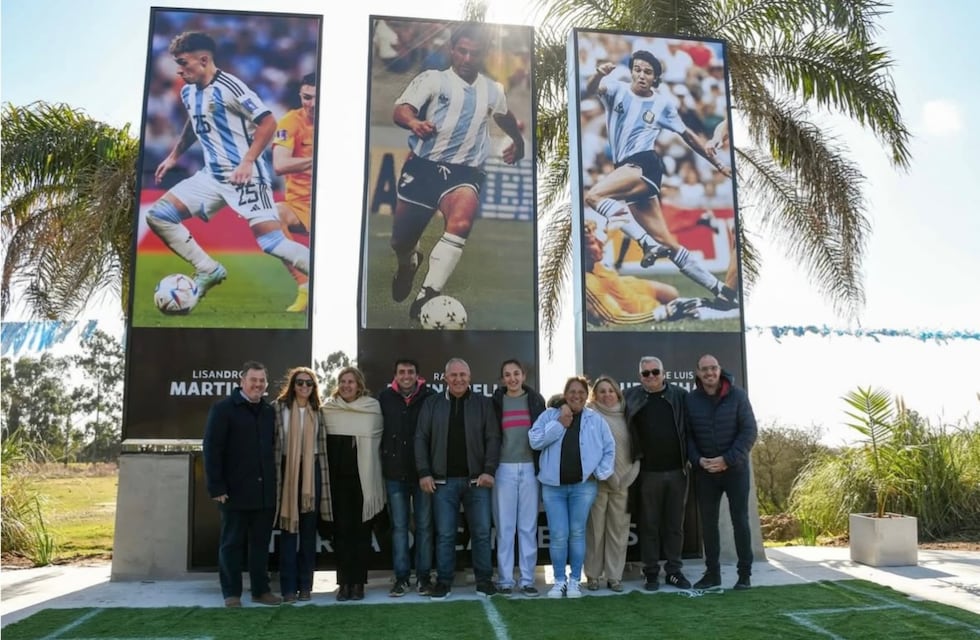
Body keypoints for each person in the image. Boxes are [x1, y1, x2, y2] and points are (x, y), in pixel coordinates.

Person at [148, 31, 310, 300]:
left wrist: (247, 162)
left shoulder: (231, 87)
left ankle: (326, 274)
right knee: (159, 216)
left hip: (246, 177)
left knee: (272, 243)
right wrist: (174, 156)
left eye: (183, 63)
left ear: (203, 60)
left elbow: (268, 122)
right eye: (176, 63)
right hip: (212, 177)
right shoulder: (188, 92)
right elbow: (194, 123)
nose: (179, 70)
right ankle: (208, 269)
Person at [389, 24, 526, 320]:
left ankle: (429, 293)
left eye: (473, 53)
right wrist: (414, 123)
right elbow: (401, 109)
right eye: (461, 51)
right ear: (452, 50)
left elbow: (503, 116)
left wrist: (518, 140)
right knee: (401, 240)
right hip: (423, 168)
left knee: (462, 221)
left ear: (483, 55)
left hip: (465, 172)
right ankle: (408, 264)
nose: (466, 58)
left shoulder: (493, 90)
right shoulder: (433, 79)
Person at [583, 49, 738, 307]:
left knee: (593, 196)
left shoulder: (662, 103)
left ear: (655, 78)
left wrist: (718, 162)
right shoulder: (616, 89)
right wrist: (597, 75)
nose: (641, 75)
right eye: (638, 69)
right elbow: (591, 90)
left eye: (647, 72)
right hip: (626, 168)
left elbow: (687, 135)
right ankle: (722, 291)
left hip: (645, 164)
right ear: (632, 70)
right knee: (667, 241)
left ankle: (645, 243)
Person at [415, 357, 500, 600]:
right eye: (453, 375)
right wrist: (424, 472)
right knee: (445, 534)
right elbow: (420, 438)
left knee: (482, 532)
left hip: (478, 481)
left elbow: (493, 438)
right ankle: (443, 582)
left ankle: (484, 581)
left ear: (470, 377)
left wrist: (489, 470)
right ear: (445, 378)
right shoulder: (432, 404)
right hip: (442, 482)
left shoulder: (483, 404)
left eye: (463, 375)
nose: (458, 379)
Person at [202, 361, 281, 607]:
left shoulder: (269, 412)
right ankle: (231, 593)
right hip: (234, 493)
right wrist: (217, 487)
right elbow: (212, 449)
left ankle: (260, 591)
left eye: (261, 381)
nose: (257, 385)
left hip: (264, 493)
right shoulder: (223, 409)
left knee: (260, 546)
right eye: (253, 380)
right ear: (241, 381)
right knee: (231, 544)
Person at [530, 376, 615, 599]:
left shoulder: (595, 420)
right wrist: (559, 424)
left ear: (586, 396)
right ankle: (559, 581)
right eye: (572, 392)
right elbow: (535, 440)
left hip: (583, 487)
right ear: (565, 394)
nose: (576, 395)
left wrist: (598, 473)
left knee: (577, 533)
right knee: (558, 534)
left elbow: (609, 448)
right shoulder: (550, 415)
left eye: (581, 392)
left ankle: (575, 581)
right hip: (553, 487)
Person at [686, 354, 758, 590]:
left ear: (720, 369)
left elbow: (749, 432)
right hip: (705, 472)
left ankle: (744, 575)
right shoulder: (691, 400)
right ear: (697, 373)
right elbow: (688, 437)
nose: (709, 372)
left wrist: (727, 460)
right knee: (708, 524)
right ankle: (712, 574)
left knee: (740, 521)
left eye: (713, 368)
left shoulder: (738, 395)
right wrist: (699, 460)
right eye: (704, 369)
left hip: (735, 470)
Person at [625, 356, 692, 591]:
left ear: (664, 373)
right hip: (647, 474)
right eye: (646, 373)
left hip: (677, 471)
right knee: (649, 526)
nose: (651, 376)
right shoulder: (631, 397)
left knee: (674, 526)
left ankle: (674, 571)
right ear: (640, 376)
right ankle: (650, 572)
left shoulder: (680, 396)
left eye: (655, 372)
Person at [321, 367, 384, 601]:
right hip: (336, 483)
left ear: (359, 385)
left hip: (363, 483)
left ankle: (358, 583)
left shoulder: (372, 408)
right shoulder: (328, 409)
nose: (347, 385)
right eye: (343, 381)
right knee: (341, 534)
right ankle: (343, 583)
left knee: (361, 534)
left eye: (351, 381)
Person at [377, 358, 435, 596]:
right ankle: (401, 578)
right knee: (399, 528)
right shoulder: (384, 397)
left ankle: (423, 577)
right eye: (401, 372)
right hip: (394, 474)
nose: (406, 375)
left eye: (410, 371)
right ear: (395, 375)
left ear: (417, 375)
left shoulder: (430, 397)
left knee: (423, 526)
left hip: (423, 475)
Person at [271, 366, 330, 603]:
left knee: (308, 533)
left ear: (314, 387)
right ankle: (287, 589)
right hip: (286, 470)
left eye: (309, 383)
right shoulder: (278, 408)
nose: (304, 387)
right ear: (292, 385)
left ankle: (306, 586)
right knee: (288, 531)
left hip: (312, 472)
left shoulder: (319, 412)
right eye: (300, 382)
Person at [490, 359, 546, 597]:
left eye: (516, 374)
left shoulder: (535, 400)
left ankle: (526, 580)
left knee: (527, 527)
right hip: (503, 469)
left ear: (523, 376)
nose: (512, 378)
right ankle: (504, 580)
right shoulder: (495, 402)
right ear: (502, 379)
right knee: (505, 527)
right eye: (507, 375)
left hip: (530, 469)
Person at [583, 220, 701, 326]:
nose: (601, 244)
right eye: (593, 242)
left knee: (671, 293)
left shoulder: (596, 264)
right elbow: (613, 319)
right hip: (642, 313)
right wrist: (664, 313)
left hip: (639, 298)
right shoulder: (588, 282)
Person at [584, 376, 638, 593]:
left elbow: (637, 450)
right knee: (595, 531)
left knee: (619, 531)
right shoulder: (590, 416)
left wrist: (628, 476)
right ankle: (593, 576)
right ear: (595, 396)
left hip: (623, 484)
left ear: (618, 393)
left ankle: (614, 576)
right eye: (602, 392)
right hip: (598, 482)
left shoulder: (628, 416)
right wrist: (608, 476)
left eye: (610, 391)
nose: (607, 395)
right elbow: (589, 450)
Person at [272, 73, 317, 313]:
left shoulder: (341, 121)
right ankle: (304, 284)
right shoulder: (291, 121)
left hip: (334, 205)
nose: (310, 104)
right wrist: (316, 159)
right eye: (306, 97)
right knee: (271, 216)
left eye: (317, 98)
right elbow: (280, 165)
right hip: (301, 205)